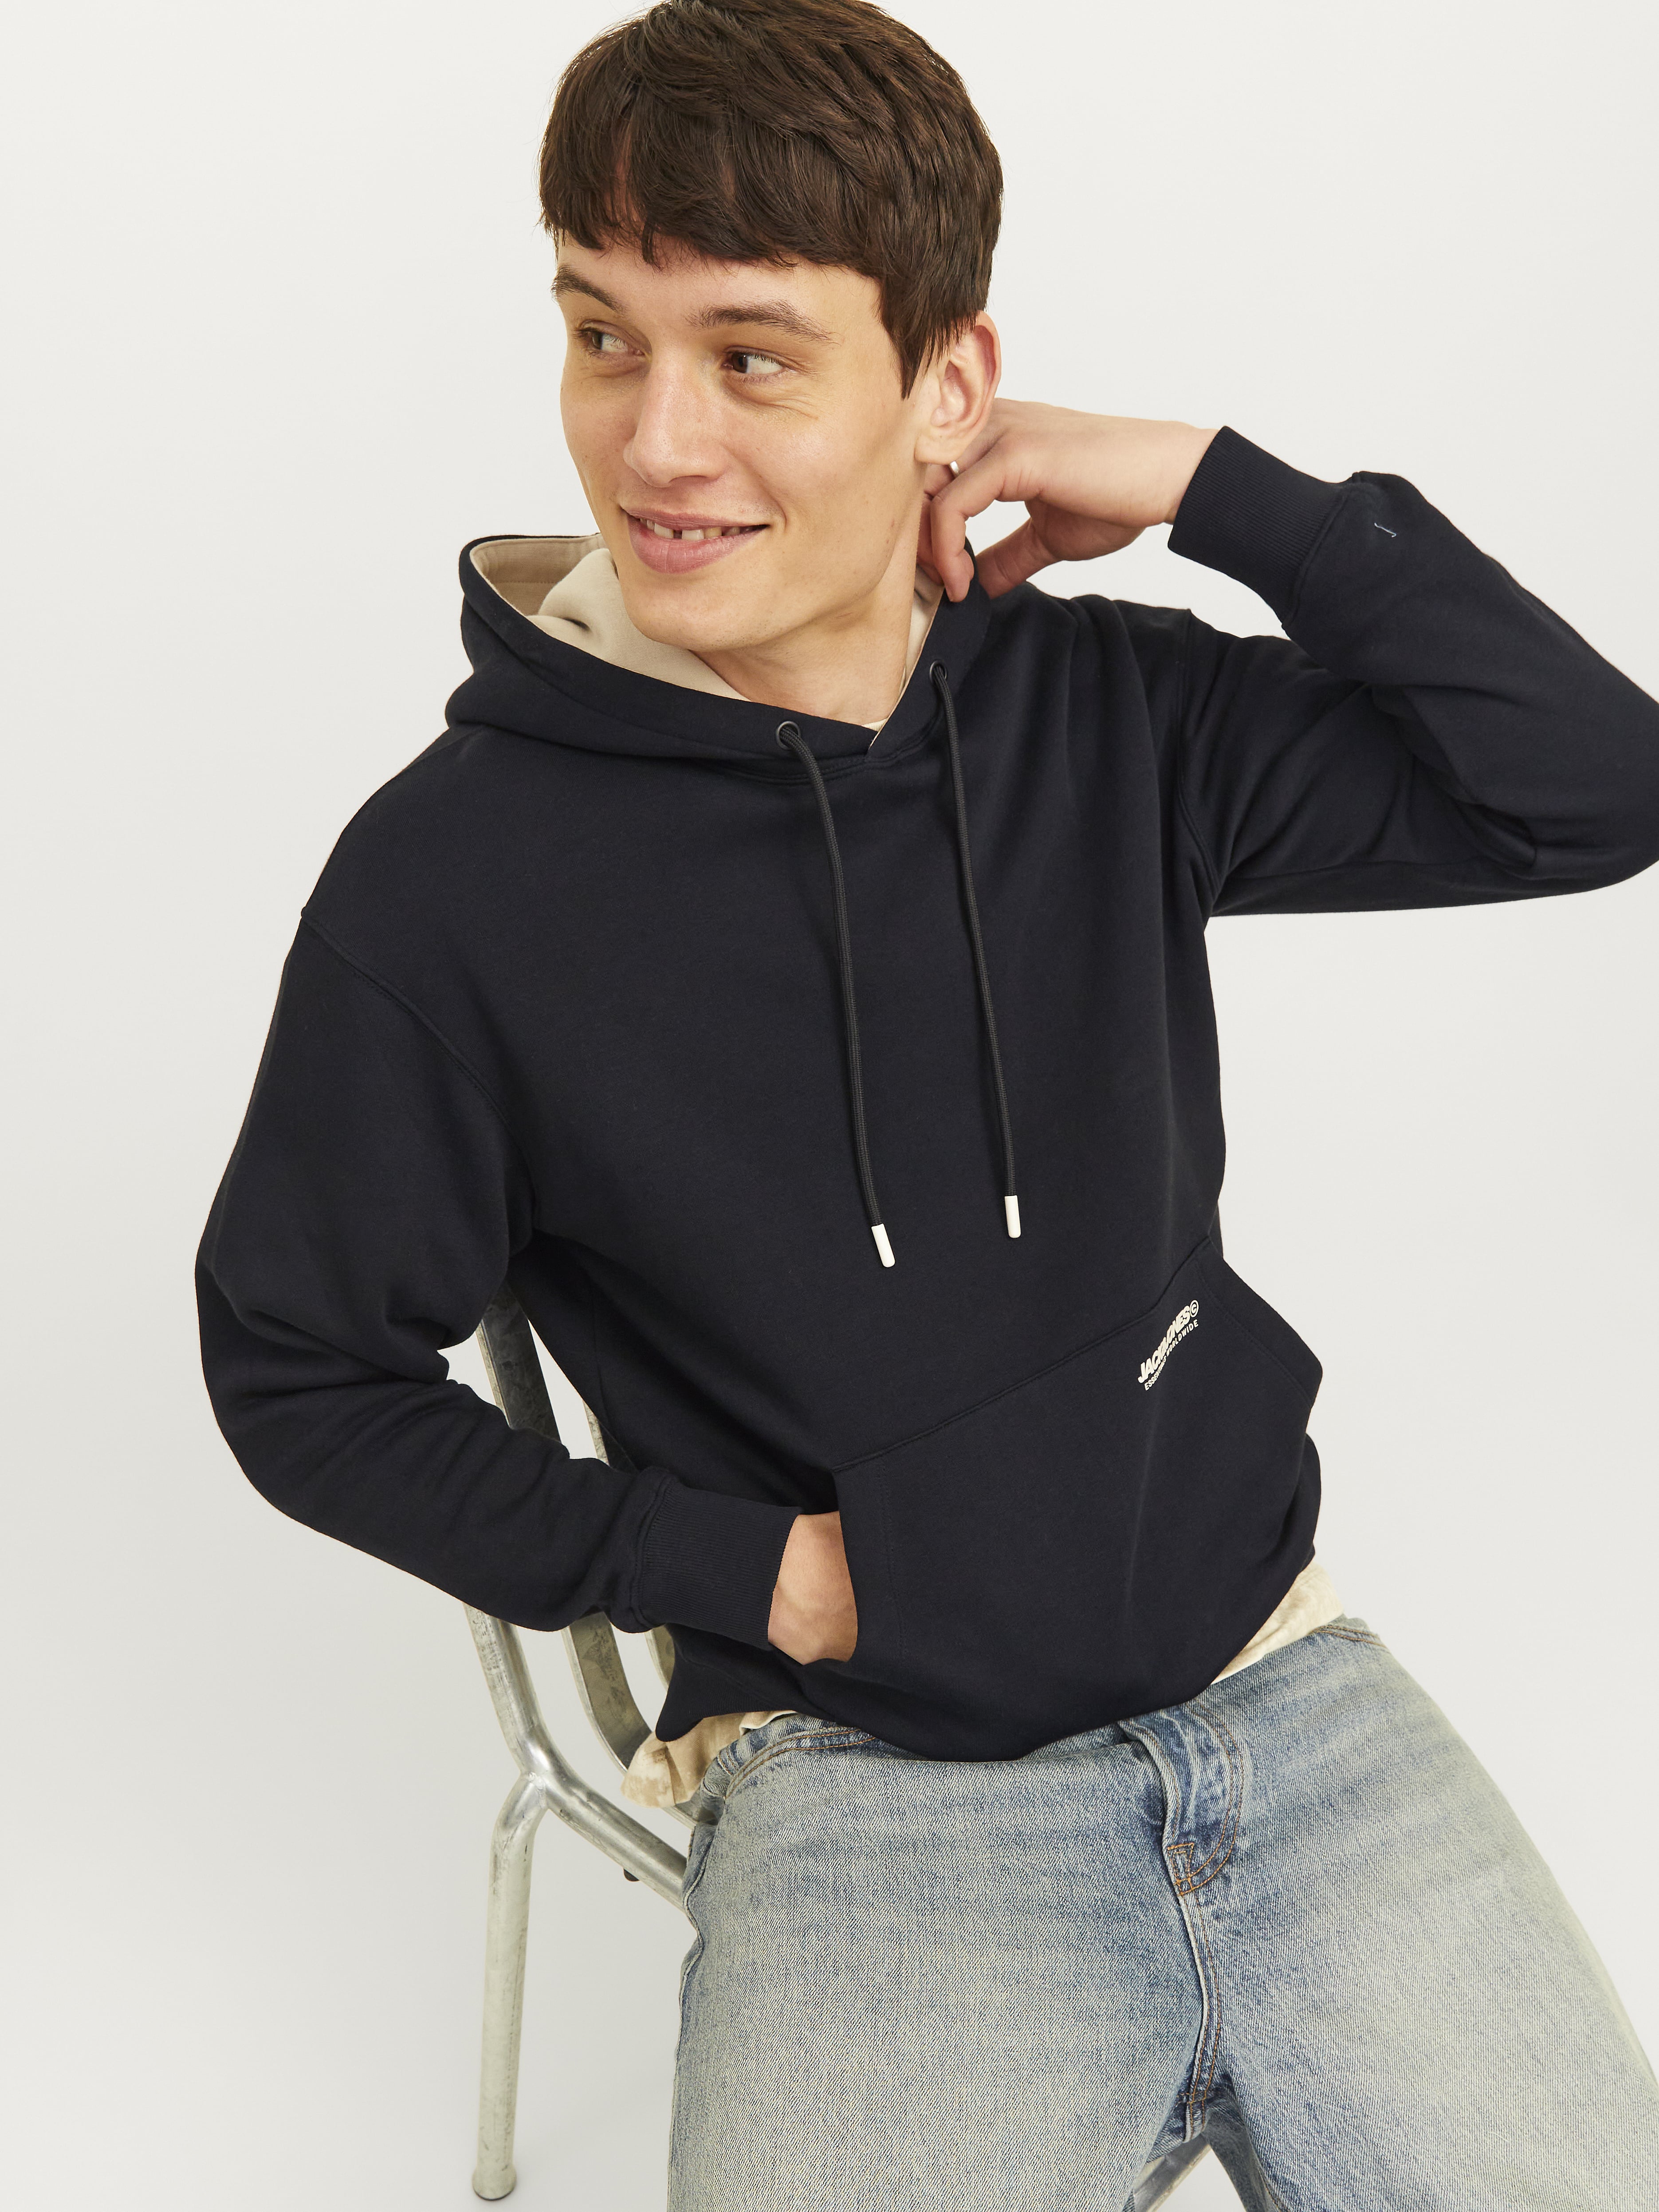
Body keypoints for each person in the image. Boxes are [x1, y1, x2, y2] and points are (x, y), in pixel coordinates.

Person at [195, 2, 1659, 2204]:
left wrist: (1212, 486)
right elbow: (297, 1364)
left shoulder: (1104, 719)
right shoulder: (451, 882)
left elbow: (1590, 787)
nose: (654, 441)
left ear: (944, 386)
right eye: (602, 338)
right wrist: (737, 1574)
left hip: (1280, 1688)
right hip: (870, 1783)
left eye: (751, 356)